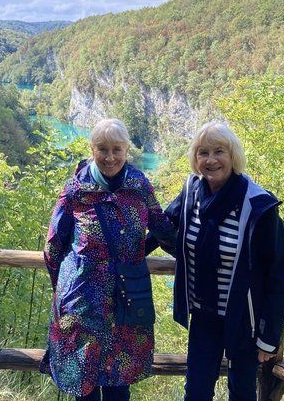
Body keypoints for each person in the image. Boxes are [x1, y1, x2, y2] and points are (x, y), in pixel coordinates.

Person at [148, 122, 284, 401]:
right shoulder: (192, 192)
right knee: (197, 391)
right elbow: (164, 226)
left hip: (244, 320)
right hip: (204, 313)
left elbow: (278, 276)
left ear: (233, 156)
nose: (211, 160)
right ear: (195, 158)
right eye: (203, 152)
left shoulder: (259, 205)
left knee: (241, 392)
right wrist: (126, 255)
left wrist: (269, 336)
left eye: (219, 152)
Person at [40, 118, 177, 401]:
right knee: (84, 387)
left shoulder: (139, 187)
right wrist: (64, 291)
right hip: (81, 305)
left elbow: (163, 229)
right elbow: (53, 247)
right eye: (103, 149)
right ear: (92, 149)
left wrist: (200, 252)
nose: (110, 157)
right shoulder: (75, 190)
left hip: (125, 304)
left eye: (117, 149)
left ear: (127, 150)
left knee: (118, 386)